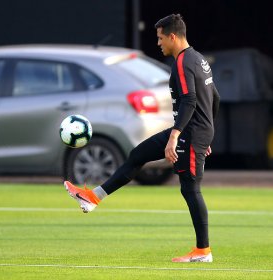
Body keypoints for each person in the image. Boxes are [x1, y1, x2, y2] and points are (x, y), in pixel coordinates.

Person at [64, 13, 220, 263]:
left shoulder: (183, 62)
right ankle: (93, 197)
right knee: (138, 154)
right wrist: (207, 133)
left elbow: (191, 99)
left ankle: (203, 251)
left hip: (190, 133)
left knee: (191, 189)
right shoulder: (199, 59)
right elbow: (215, 96)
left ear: (172, 36)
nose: (158, 43)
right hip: (194, 132)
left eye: (160, 38)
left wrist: (180, 136)